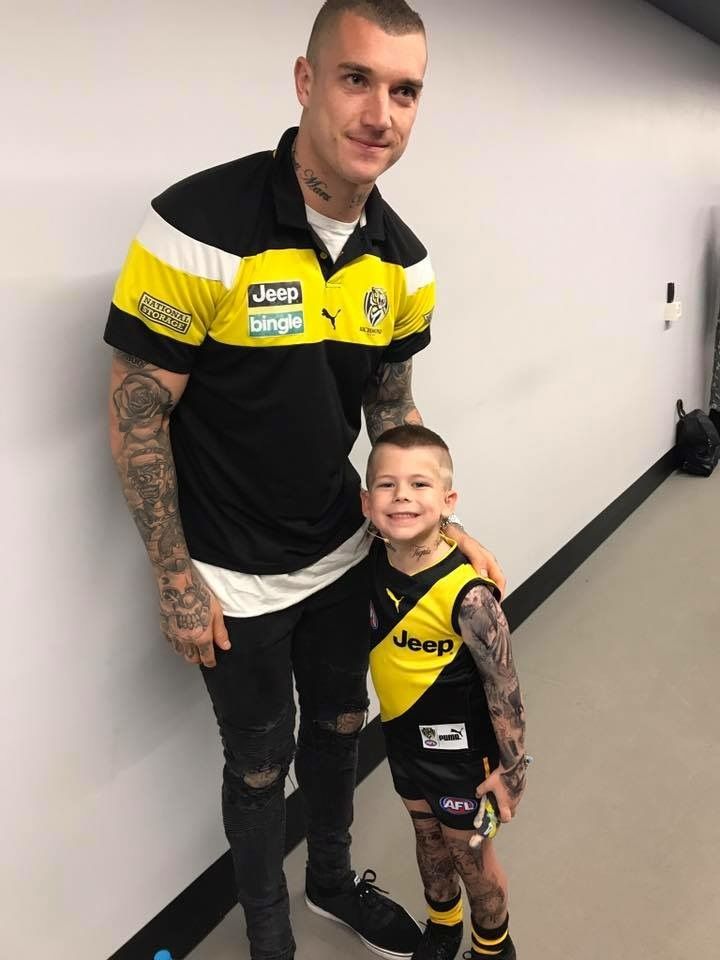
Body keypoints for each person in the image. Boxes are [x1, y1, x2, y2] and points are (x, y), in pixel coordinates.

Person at [104, 2, 505, 959]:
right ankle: (270, 943)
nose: (381, 113)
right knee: (257, 766)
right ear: (305, 82)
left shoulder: (403, 260)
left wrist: (440, 534)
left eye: (405, 91)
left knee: (337, 726)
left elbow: (393, 419)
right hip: (230, 577)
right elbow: (136, 409)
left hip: (342, 554)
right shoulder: (199, 223)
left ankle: (330, 881)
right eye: (356, 80)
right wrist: (172, 574)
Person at [361, 425, 527, 960]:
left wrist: (512, 768)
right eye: (386, 485)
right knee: (426, 835)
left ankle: (492, 945)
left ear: (448, 502)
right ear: (367, 502)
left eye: (420, 485)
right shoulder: (369, 559)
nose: (402, 495)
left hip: (463, 755)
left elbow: (505, 686)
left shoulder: (469, 594)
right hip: (403, 738)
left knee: (470, 853)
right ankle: (442, 925)